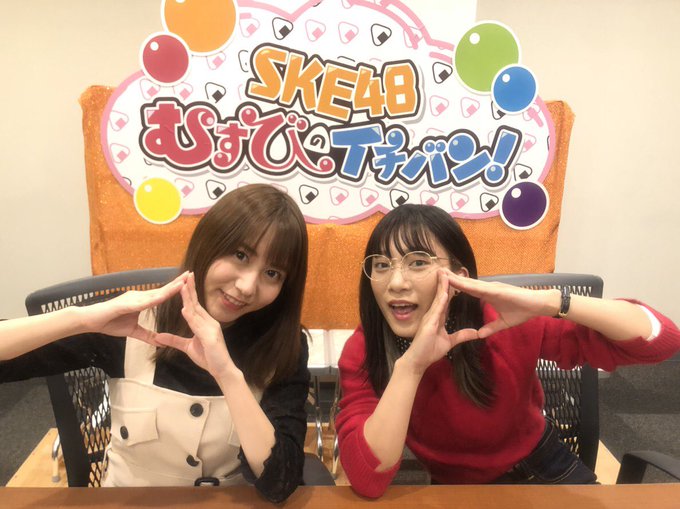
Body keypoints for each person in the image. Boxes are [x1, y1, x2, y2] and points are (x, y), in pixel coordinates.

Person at [335, 204, 680, 498]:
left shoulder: (498, 320)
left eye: (418, 262)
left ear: (458, 277)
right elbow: (368, 479)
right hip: (458, 488)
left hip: (544, 465)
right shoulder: (365, 349)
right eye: (382, 265)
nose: (396, 283)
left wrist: (550, 301)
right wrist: (411, 367)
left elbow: (661, 340)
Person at [0, 184, 310, 502]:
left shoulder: (283, 346)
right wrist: (80, 319)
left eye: (272, 273)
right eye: (241, 255)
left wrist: (228, 375)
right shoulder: (132, 321)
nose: (247, 286)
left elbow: (281, 483)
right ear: (207, 243)